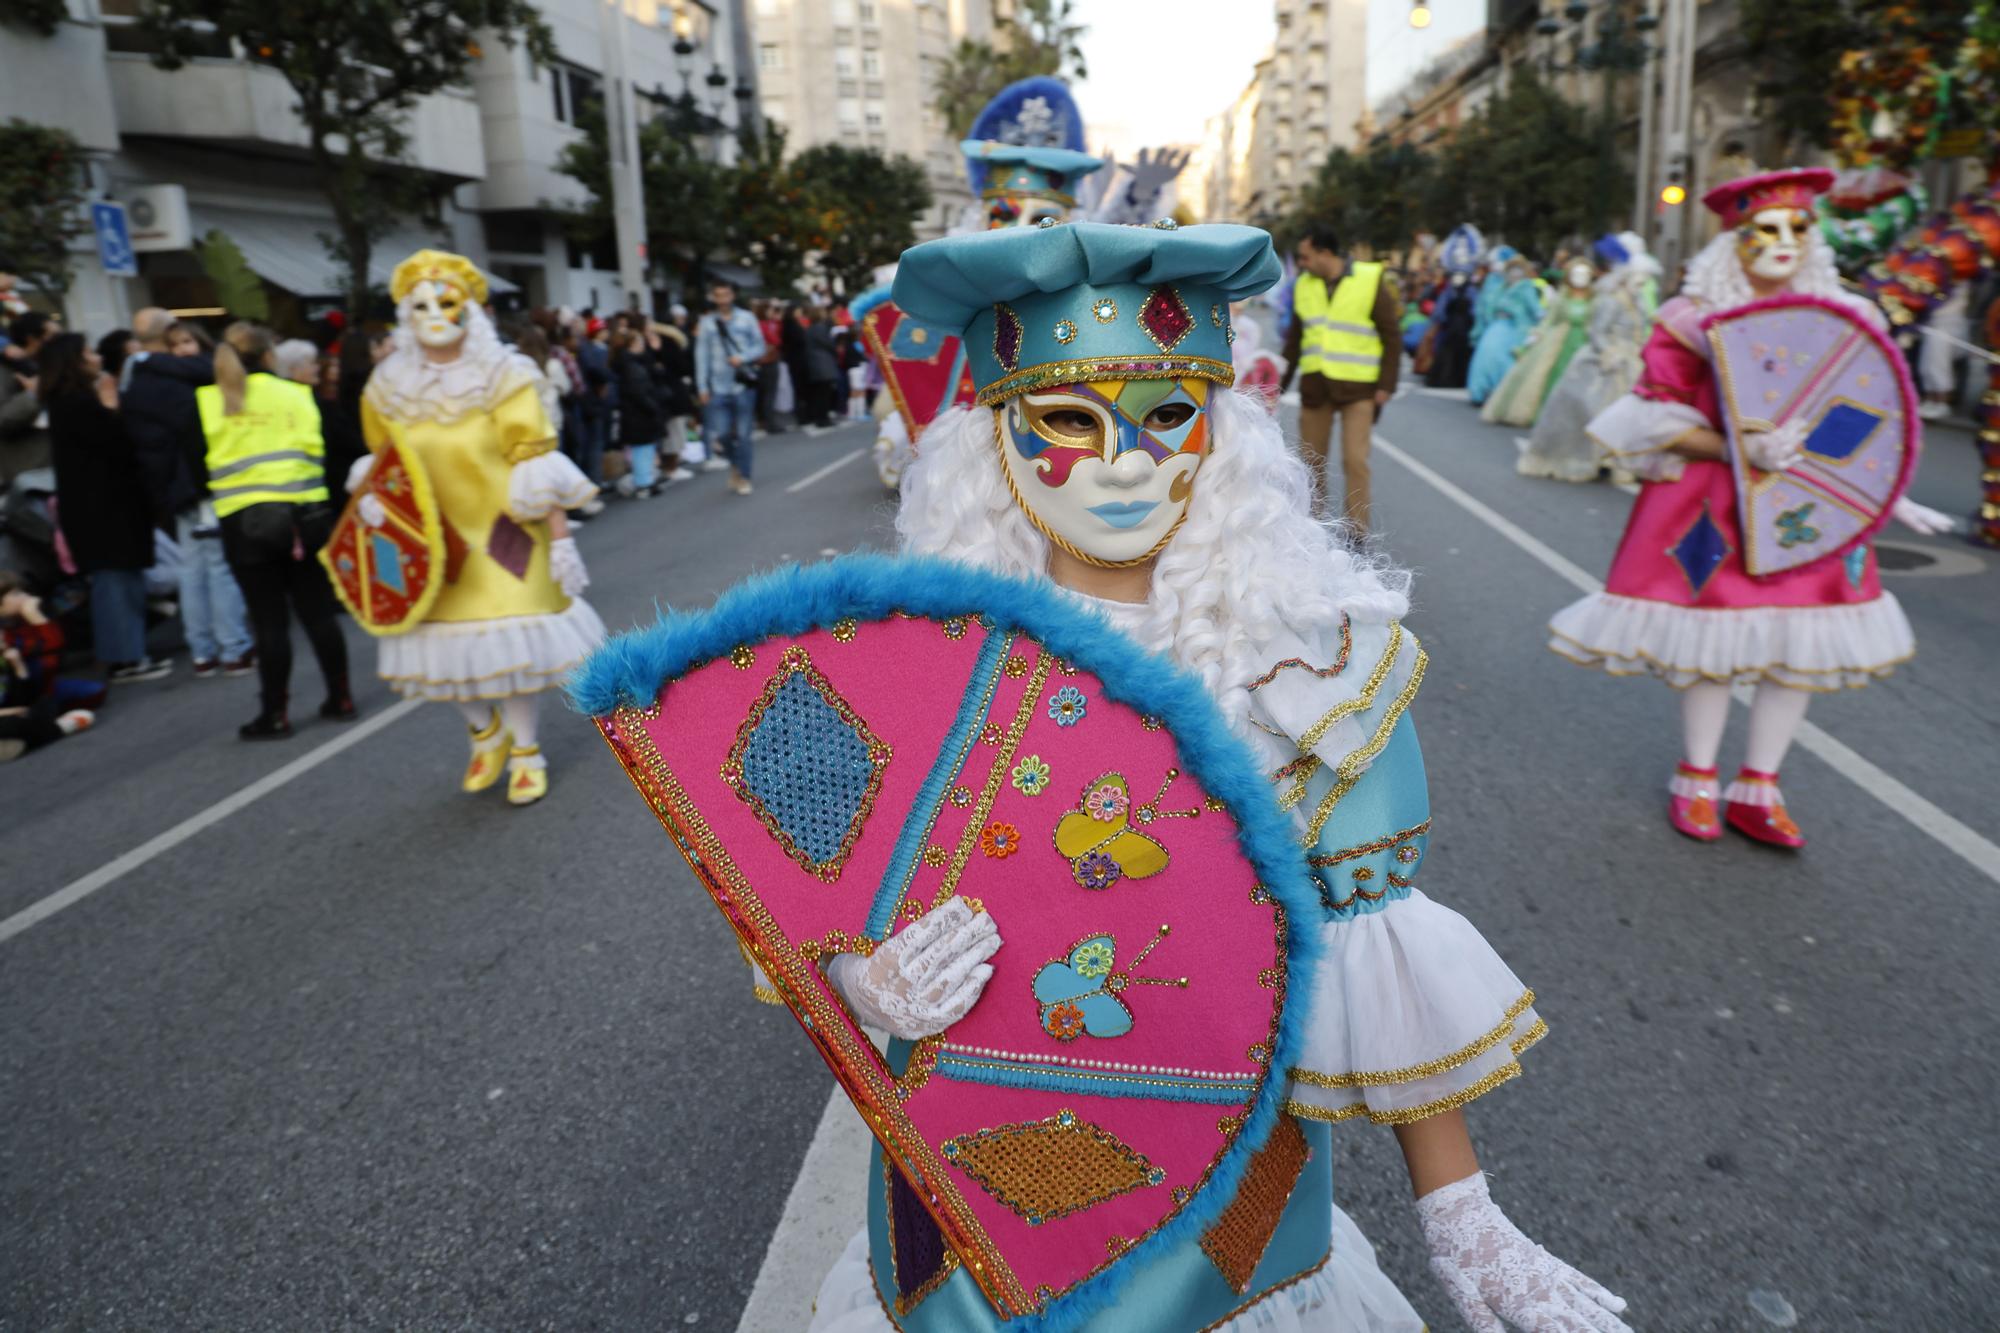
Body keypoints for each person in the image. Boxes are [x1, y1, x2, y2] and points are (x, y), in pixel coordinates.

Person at [798, 220, 1629, 1333]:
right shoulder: (910, 666)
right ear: (994, 443)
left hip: (1218, 1182)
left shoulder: (1306, 662)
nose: (1124, 461)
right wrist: (861, 980)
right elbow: (807, 899)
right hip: (966, 1175)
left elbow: (1368, 927)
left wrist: (1461, 1210)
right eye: (1065, 422)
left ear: (1216, 436)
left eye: (1164, 416)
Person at [1549, 169, 1956, 846]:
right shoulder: (1688, 322)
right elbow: (1651, 417)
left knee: (1794, 642)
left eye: (1800, 227)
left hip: (1810, 506)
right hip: (1712, 501)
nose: (1784, 241)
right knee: (1715, 638)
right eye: (1765, 229)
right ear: (1733, 241)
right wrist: (1739, 448)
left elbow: (1864, 417)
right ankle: (1698, 777)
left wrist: (1886, 494)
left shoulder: (1844, 318)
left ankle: (1759, 784)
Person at [345, 249, 602, 806]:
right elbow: (384, 464)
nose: (434, 313)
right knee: (442, 646)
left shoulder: (505, 376)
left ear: (472, 308)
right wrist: (374, 510)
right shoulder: (387, 386)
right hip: (435, 543)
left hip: (507, 533)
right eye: (420, 305)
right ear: (404, 316)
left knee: (513, 645)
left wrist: (560, 539)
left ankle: (527, 750)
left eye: (447, 301)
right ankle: (485, 734)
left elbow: (534, 460)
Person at [197, 322, 353, 737]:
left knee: (269, 622)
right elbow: (323, 449)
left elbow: (197, 463)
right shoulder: (297, 394)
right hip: (306, 515)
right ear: (269, 355)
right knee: (318, 611)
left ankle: (275, 715)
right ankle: (341, 698)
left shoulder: (208, 400)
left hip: (244, 522)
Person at [124, 305, 256, 678]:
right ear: (167, 338)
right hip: (197, 482)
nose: (186, 348)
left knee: (193, 568)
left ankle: (203, 651)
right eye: (178, 340)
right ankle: (234, 648)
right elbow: (197, 426)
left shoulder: (134, 380)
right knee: (218, 566)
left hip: (171, 485)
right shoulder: (175, 378)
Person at [41, 332, 172, 683]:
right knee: (116, 582)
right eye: (87, 352)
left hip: (98, 508)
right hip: (105, 509)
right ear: (75, 361)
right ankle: (126, 657)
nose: (96, 357)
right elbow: (114, 446)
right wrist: (112, 407)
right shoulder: (79, 403)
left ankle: (129, 654)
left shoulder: (64, 402)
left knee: (120, 580)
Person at [1280, 226, 1401, 533]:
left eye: (1306, 256)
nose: (1302, 263)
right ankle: (1313, 527)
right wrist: (1276, 385)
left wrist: (1386, 386)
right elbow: (1294, 341)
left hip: (1359, 388)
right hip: (1316, 389)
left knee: (1355, 461)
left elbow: (1391, 334)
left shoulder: (1368, 280)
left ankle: (1356, 532)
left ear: (1325, 253)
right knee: (1310, 464)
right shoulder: (1304, 285)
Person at [1519, 233, 1660, 483]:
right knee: (1595, 410)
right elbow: (1596, 331)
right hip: (1606, 362)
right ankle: (1596, 458)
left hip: (1633, 360)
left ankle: (1621, 460)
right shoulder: (1610, 300)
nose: (1641, 282)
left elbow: (1642, 329)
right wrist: (1609, 352)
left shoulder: (1637, 301)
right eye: (1638, 277)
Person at [1480, 257, 1596, 429]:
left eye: (1584, 274)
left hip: (1583, 343)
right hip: (1558, 343)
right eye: (1577, 274)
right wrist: (1532, 340)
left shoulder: (1595, 299)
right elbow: (1548, 321)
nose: (1580, 278)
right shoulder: (1562, 297)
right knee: (1551, 378)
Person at [695, 279, 767, 496]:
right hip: (718, 387)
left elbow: (760, 346)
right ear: (714, 298)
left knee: (744, 434)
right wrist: (702, 386)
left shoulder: (747, 318)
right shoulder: (707, 322)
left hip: (742, 385)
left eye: (726, 294)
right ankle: (735, 464)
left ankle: (744, 476)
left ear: (732, 295)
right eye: (718, 295)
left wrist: (742, 357)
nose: (723, 298)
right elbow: (701, 355)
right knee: (723, 434)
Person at [1465, 255, 1541, 406]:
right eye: (1512, 269)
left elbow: (1536, 309)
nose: (1514, 273)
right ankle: (1479, 391)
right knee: (1485, 357)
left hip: (1516, 329)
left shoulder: (1526, 288)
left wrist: (1543, 323)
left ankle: (1504, 395)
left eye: (1518, 270)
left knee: (1506, 360)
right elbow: (1487, 306)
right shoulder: (1500, 287)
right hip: (1496, 326)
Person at [1, 311, 56, 486]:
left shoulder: (48, 367)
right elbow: (3, 419)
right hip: (33, 477)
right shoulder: (5, 372)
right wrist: (32, 395)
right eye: (53, 336)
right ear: (32, 339)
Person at [609, 326, 664, 498]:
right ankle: (643, 484)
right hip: (638, 414)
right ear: (632, 344)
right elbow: (638, 392)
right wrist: (652, 407)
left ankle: (646, 480)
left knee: (645, 448)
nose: (643, 345)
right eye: (640, 342)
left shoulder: (631, 363)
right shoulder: (631, 366)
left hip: (636, 413)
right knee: (642, 449)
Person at [799, 306, 843, 434]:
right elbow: (828, 343)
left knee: (819, 392)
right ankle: (822, 418)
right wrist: (836, 346)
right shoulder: (819, 327)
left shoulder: (811, 328)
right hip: (822, 363)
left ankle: (821, 417)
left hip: (816, 363)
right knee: (823, 393)